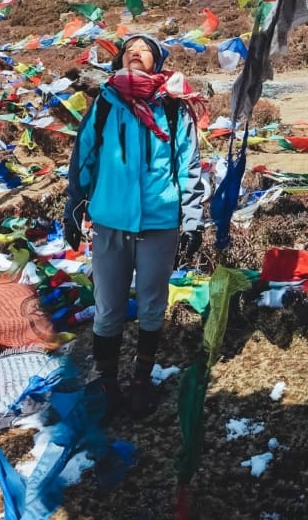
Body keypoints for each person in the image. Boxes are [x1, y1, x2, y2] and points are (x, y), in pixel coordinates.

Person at [64, 35, 206, 415]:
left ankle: (142, 380)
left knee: (152, 307)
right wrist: (74, 208)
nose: (135, 53)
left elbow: (189, 167)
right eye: (129, 50)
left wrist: (192, 221)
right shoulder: (105, 106)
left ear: (157, 61)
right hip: (110, 222)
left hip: (160, 222)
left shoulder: (174, 108)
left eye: (145, 49)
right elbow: (84, 159)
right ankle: (107, 382)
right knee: (107, 308)